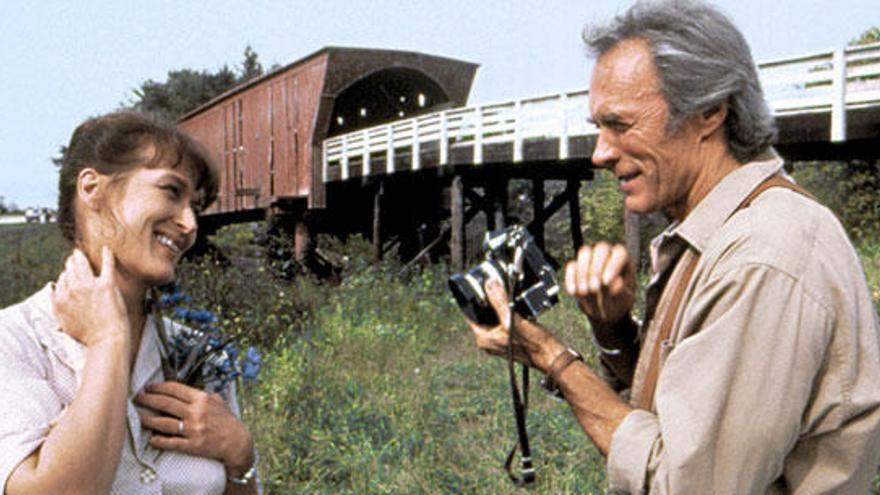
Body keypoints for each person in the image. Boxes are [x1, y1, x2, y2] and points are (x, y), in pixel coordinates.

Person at [465, 0, 880, 493]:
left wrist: (550, 356)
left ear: (709, 111)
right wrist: (612, 328)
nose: (599, 152)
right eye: (597, 127)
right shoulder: (725, 232)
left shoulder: (762, 256)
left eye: (620, 124)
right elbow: (684, 413)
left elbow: (689, 483)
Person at [0, 112, 260, 494]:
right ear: (92, 188)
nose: (189, 224)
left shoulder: (200, 356)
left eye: (197, 207)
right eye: (171, 191)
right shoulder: (14, 341)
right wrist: (108, 341)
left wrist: (242, 457)